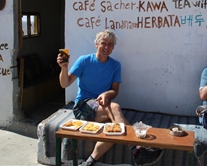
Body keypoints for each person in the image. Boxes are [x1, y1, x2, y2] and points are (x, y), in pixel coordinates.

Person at [57, 29, 163, 166]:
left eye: (110, 44)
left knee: (115, 129)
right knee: (115, 107)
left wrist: (107, 94)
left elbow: (115, 90)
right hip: (83, 106)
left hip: (102, 106)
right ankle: (136, 149)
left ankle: (89, 162)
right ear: (96, 44)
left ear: (113, 47)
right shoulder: (84, 61)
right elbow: (65, 83)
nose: (107, 47)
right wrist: (64, 68)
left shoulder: (115, 65)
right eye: (103, 43)